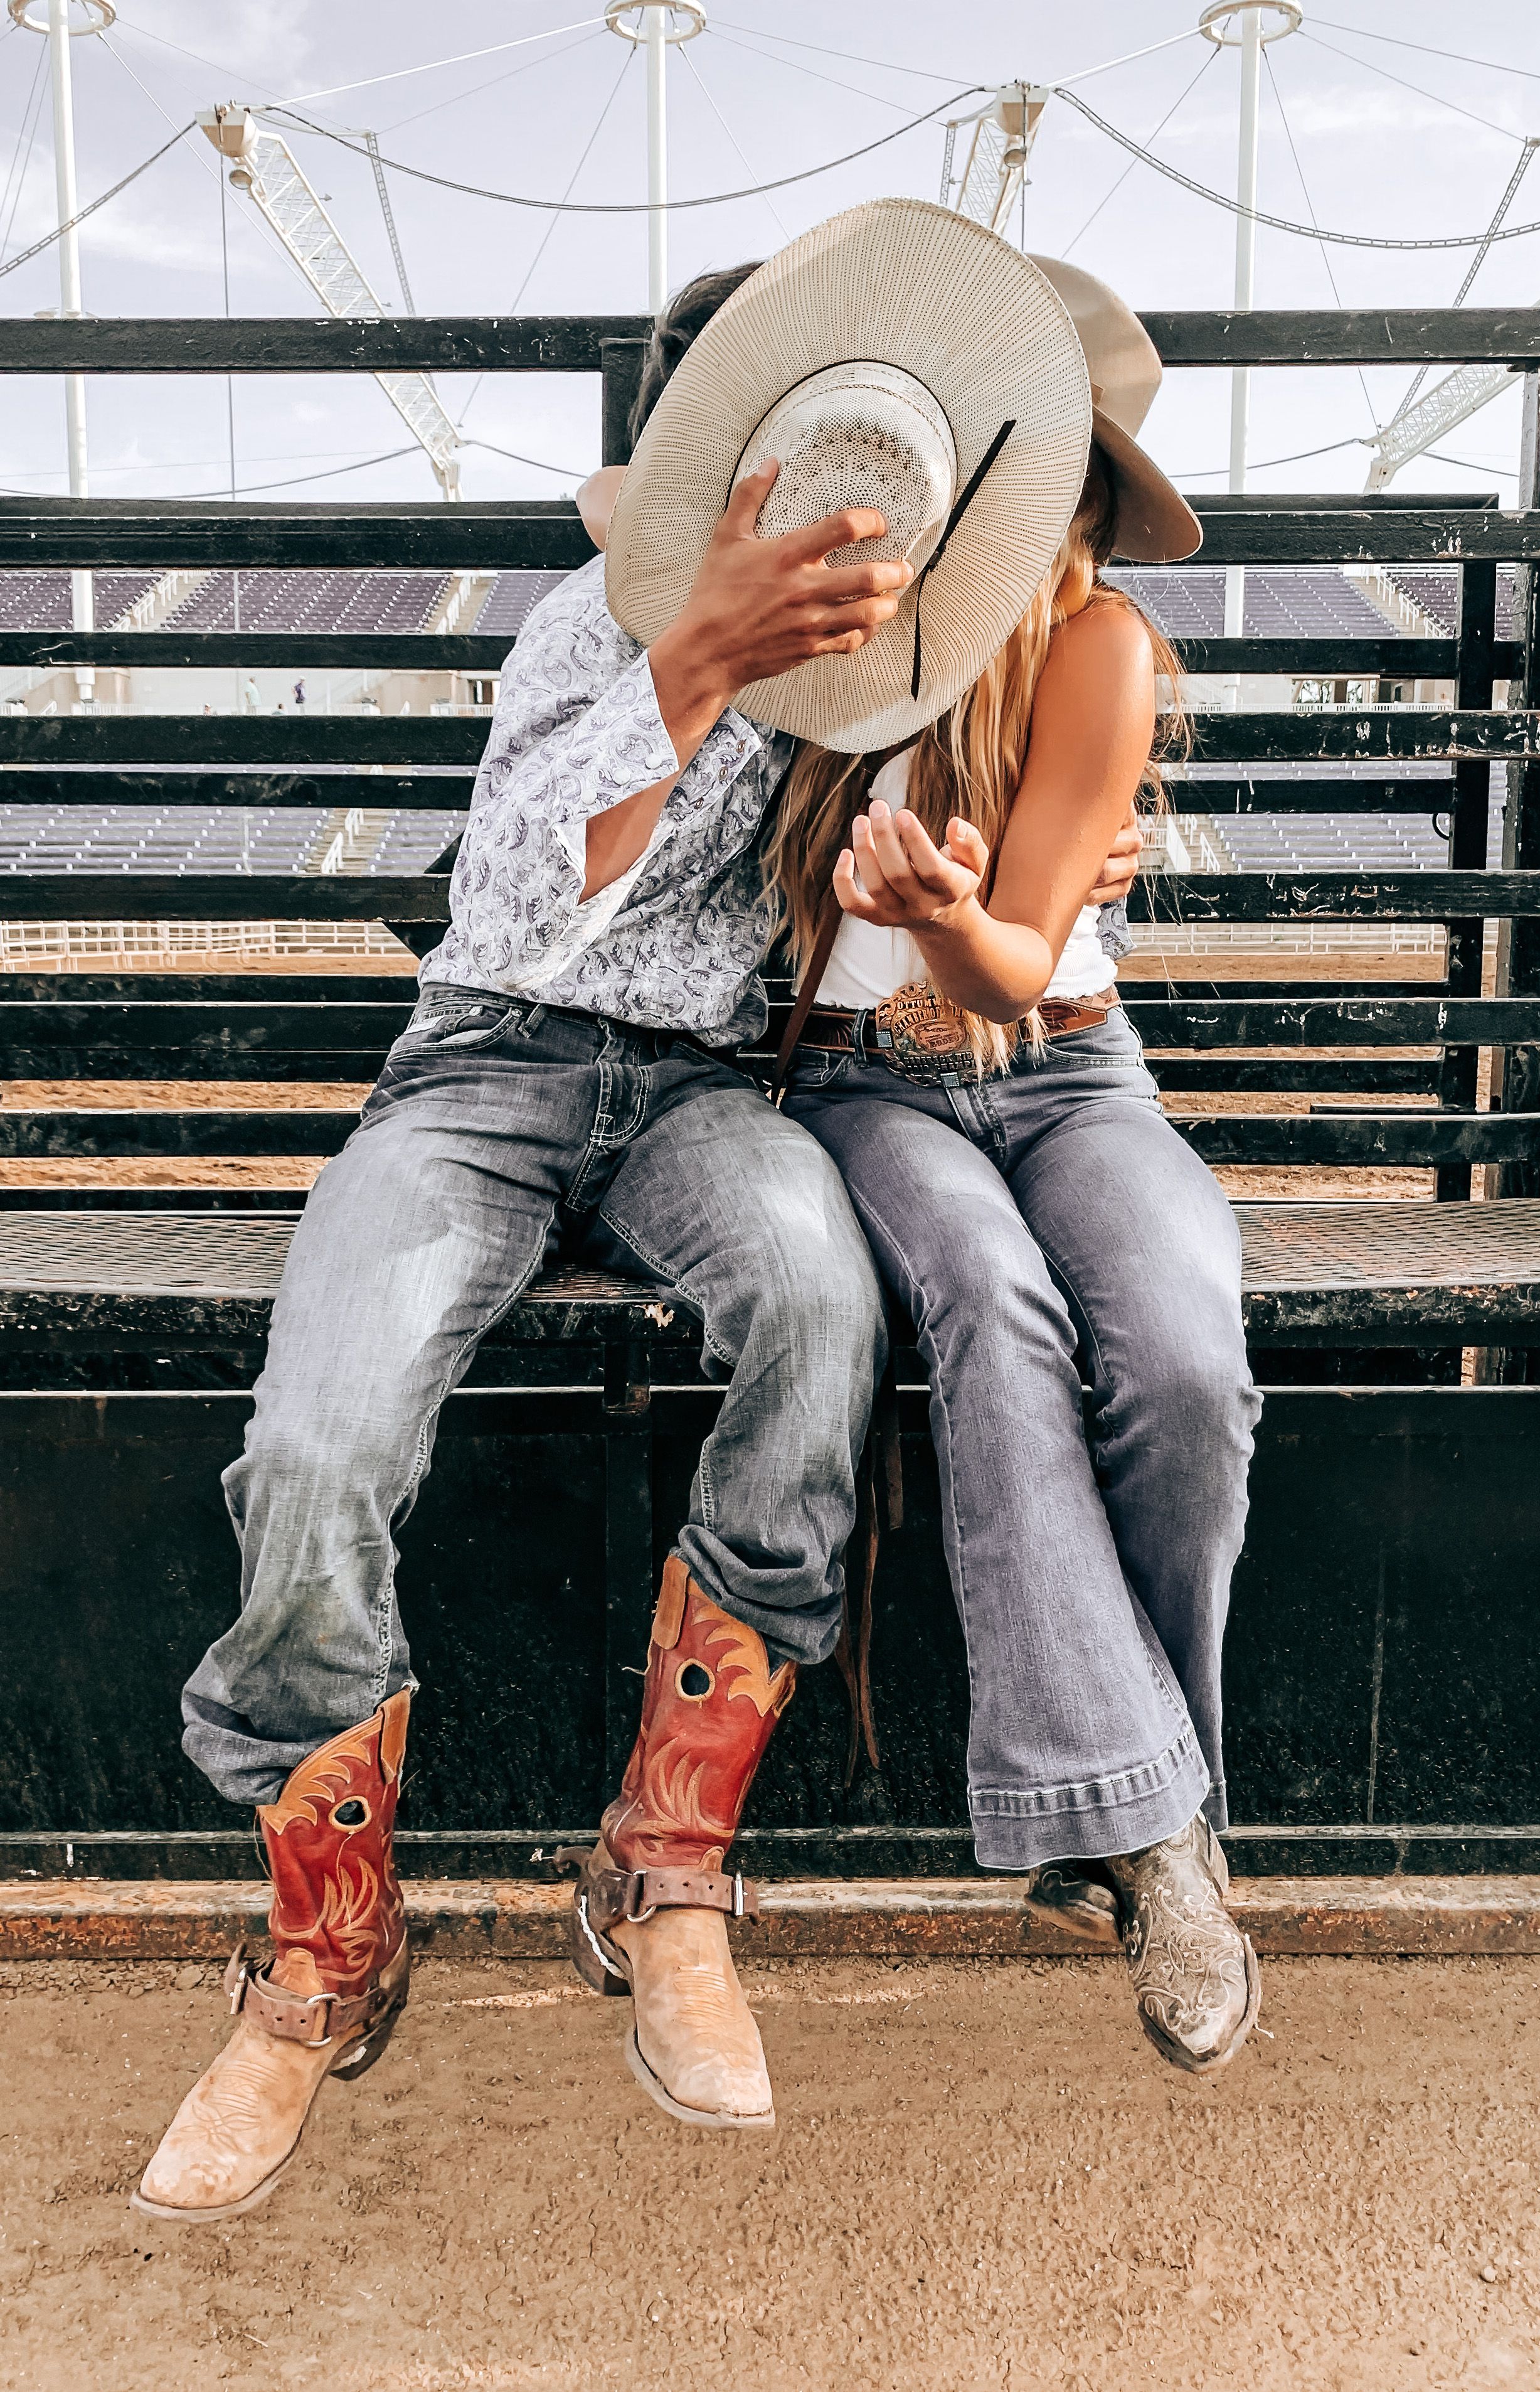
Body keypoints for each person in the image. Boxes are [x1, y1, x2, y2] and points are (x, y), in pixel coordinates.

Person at [134, 200, 1140, 2222]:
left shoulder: (895, 665)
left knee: (819, 1303)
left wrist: (961, 894)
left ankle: (664, 1866)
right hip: (485, 1067)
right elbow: (511, 913)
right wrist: (689, 665)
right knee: (318, 1433)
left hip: (701, 1096)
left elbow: (1002, 873)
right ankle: (328, 1945)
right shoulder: (586, 626)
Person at [773, 259, 1263, 2075]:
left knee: (1187, 1350)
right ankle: (1160, 1840)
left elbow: (1016, 960)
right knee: (991, 1301)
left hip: (1059, 1063)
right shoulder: (838, 615)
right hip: (864, 1089)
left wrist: (952, 916)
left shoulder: (1100, 649)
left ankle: (1139, 1806)